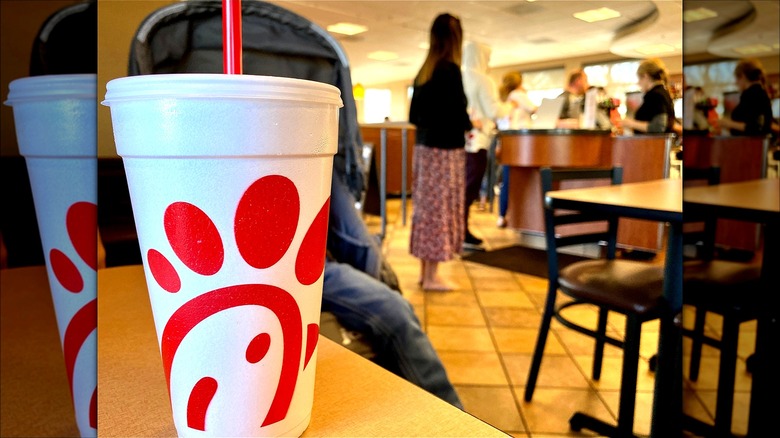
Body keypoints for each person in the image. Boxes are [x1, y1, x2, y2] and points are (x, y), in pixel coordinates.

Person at [324, 172, 463, 409]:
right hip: (284, 270)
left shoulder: (320, 165)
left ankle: (453, 421)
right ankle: (460, 425)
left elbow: (353, 230)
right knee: (395, 311)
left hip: (316, 254)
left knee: (390, 290)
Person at [408, 13, 472, 291]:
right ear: (456, 39)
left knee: (427, 210)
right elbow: (457, 115)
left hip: (424, 150)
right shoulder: (450, 71)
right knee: (441, 210)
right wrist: (471, 123)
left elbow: (414, 116)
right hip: (445, 152)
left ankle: (426, 273)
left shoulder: (424, 73)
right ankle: (432, 277)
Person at [461, 41, 514, 249]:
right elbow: (494, 111)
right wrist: (510, 106)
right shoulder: (483, 80)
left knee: (463, 188)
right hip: (478, 140)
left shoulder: (460, 76)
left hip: (462, 142)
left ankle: (459, 230)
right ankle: (462, 232)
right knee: (469, 189)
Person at [495, 71, 536, 228]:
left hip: (506, 141)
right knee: (522, 179)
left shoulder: (503, 99)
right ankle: (523, 217)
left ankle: (502, 215)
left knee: (507, 179)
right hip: (521, 142)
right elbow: (534, 109)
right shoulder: (518, 94)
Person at [619, 58, 676, 134]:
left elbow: (659, 127)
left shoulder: (655, 95)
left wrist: (630, 123)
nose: (638, 83)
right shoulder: (663, 92)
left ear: (646, 76)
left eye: (639, 79)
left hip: (653, 145)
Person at [719, 58, 774, 136]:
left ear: (743, 76)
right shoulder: (756, 93)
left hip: (750, 145)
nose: (736, 82)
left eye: (737, 78)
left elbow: (757, 127)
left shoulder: (754, 95)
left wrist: (729, 124)